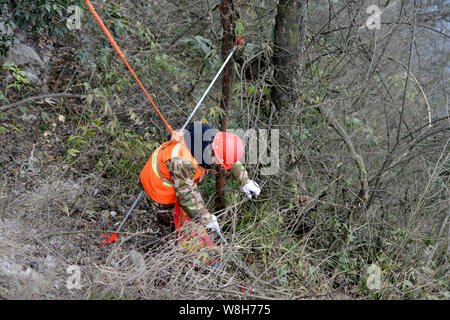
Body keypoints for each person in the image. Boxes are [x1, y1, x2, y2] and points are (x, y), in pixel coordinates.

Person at [139, 123, 261, 253]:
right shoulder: (183, 162)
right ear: (212, 152)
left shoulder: (213, 137)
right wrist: (206, 218)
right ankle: (169, 250)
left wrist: (245, 180)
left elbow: (226, 153)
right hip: (158, 189)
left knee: (191, 218)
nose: (220, 165)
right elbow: (186, 197)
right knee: (174, 225)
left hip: (179, 181)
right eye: (219, 161)